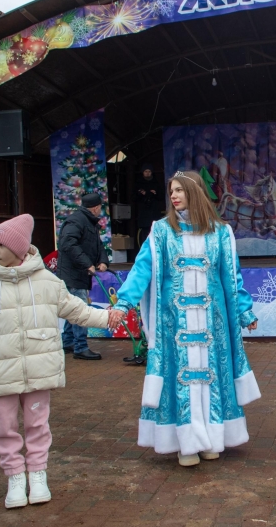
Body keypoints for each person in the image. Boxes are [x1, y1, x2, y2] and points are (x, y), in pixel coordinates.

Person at [0, 214, 121, 509]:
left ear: (19, 249)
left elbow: (77, 310)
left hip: (38, 369)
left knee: (37, 424)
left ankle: (38, 474)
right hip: (0, 372)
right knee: (4, 426)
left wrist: (107, 318)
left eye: (1, 245)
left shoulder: (48, 283)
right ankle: (15, 477)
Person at [111, 171, 260, 467]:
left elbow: (232, 276)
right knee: (182, 379)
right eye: (172, 191)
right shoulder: (161, 231)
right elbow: (142, 269)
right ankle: (186, 444)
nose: (174, 196)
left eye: (180, 189)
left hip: (212, 323)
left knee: (211, 379)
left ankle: (212, 439)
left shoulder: (220, 232)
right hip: (174, 323)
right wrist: (124, 302)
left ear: (194, 191)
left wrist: (244, 311)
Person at [57, 192, 109, 360]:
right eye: (100, 207)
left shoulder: (89, 222)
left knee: (72, 308)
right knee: (79, 309)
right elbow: (67, 244)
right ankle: (80, 347)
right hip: (73, 274)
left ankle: (68, 342)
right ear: (95, 208)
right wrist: (87, 263)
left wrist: (102, 261)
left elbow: (98, 245)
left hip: (79, 273)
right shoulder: (77, 220)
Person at [134, 167, 164, 246]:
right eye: (145, 171)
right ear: (142, 172)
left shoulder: (156, 183)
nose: (147, 173)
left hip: (154, 213)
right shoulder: (138, 183)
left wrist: (155, 193)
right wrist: (140, 193)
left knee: (155, 233)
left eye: (149, 171)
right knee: (144, 235)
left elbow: (161, 197)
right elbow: (133, 198)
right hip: (144, 214)